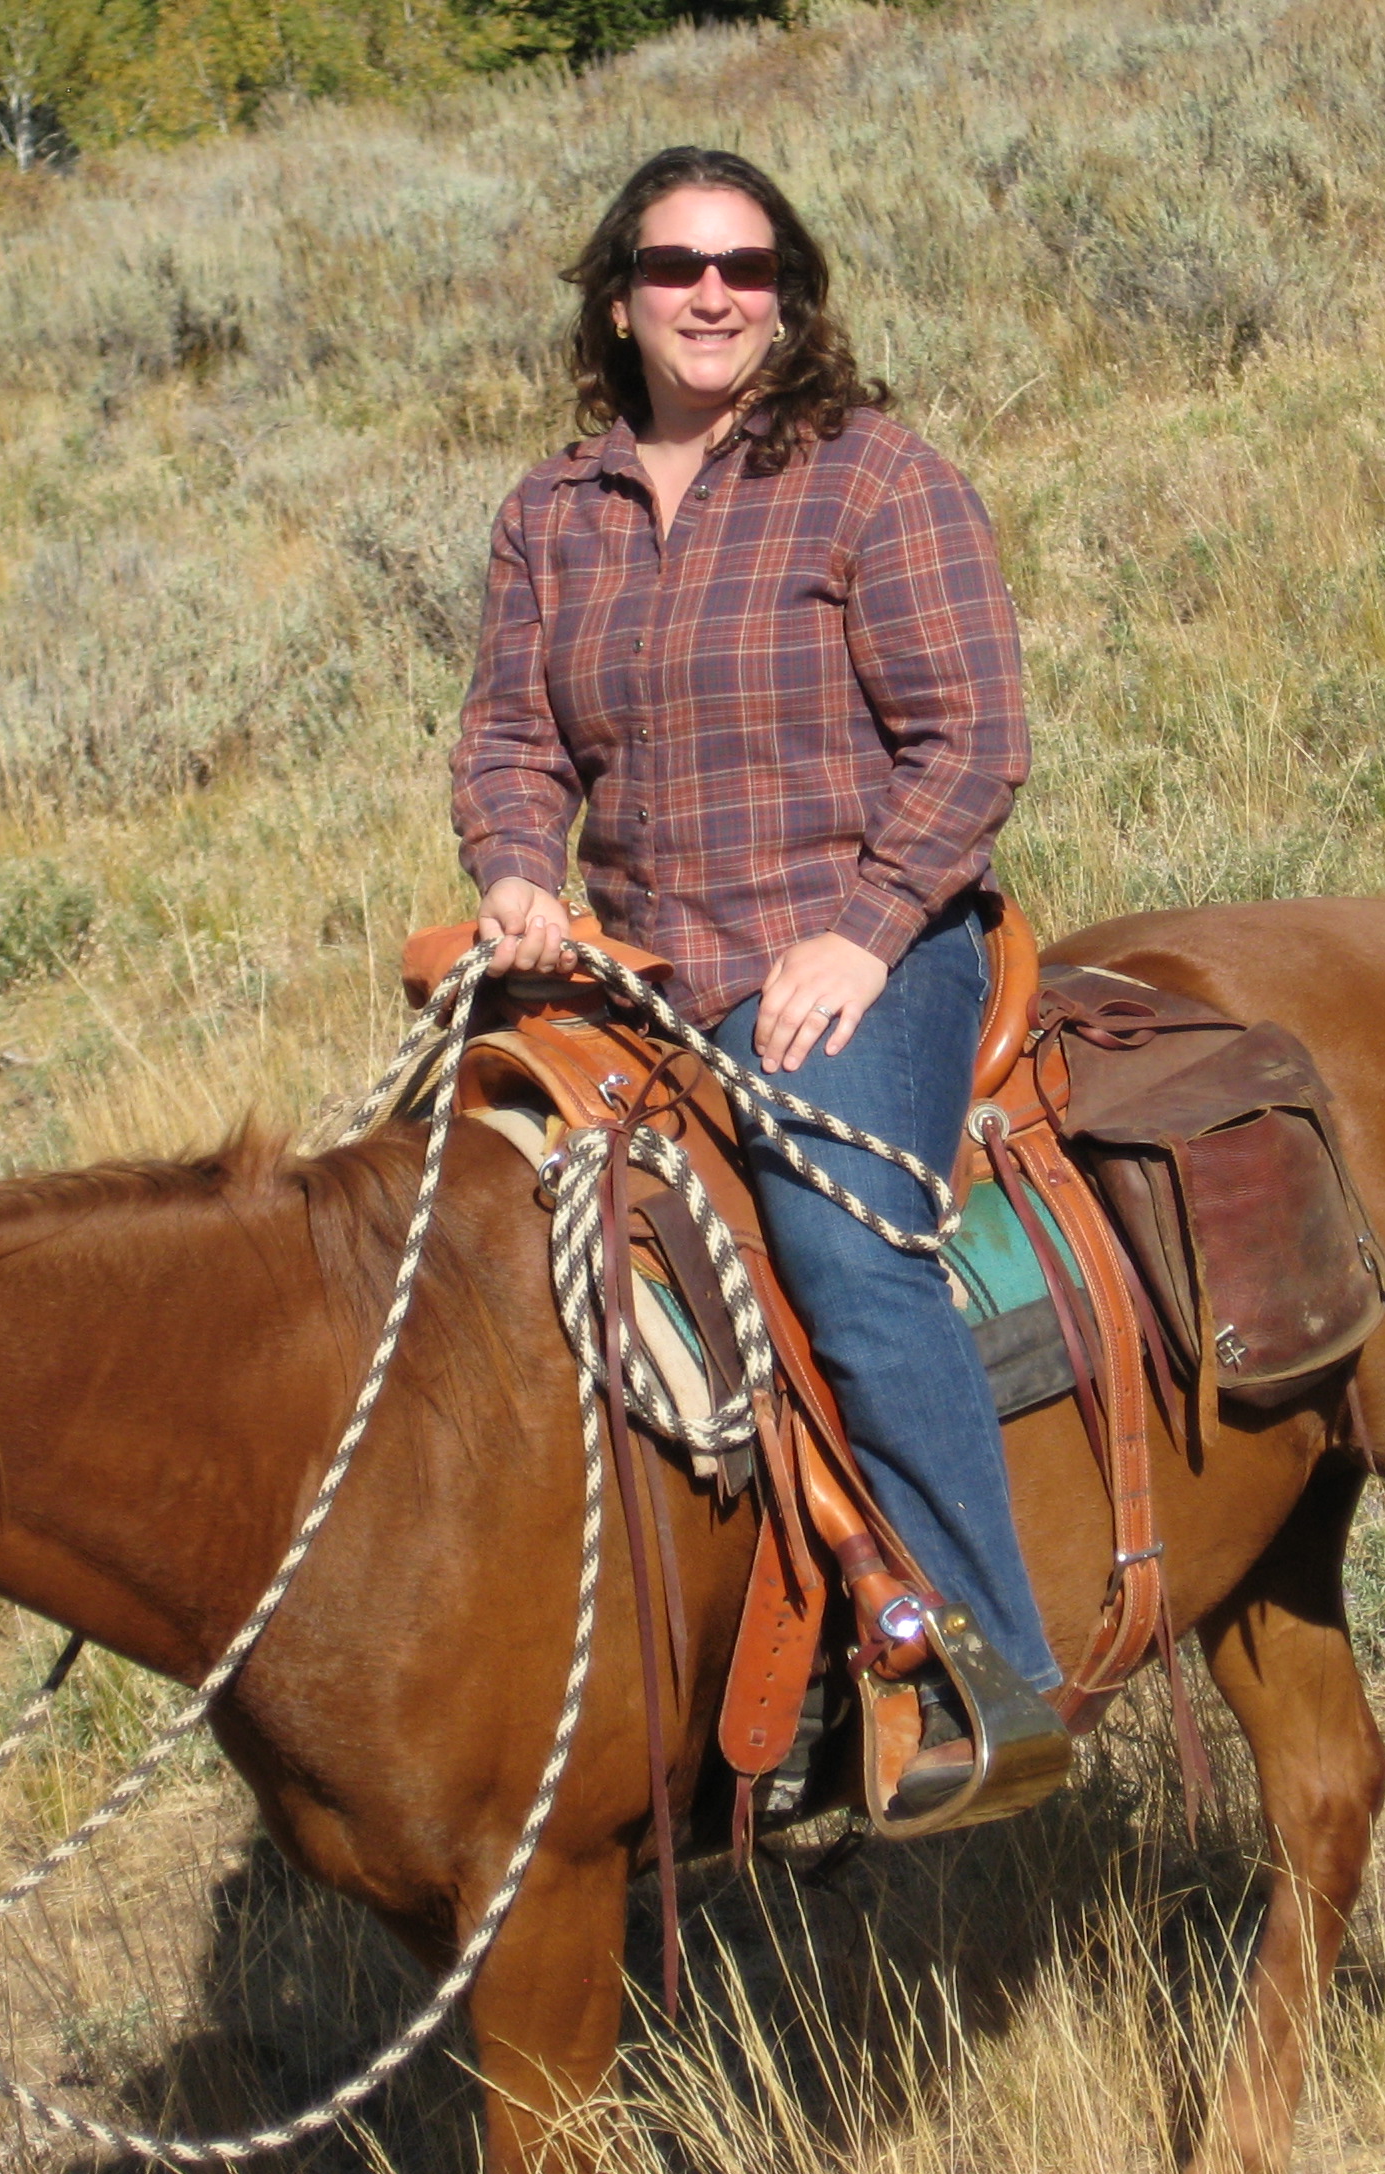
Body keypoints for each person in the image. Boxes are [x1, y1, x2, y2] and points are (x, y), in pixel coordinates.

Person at [450, 146, 1056, 1804]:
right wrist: (515, 868)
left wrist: (861, 931)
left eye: (747, 264)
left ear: (789, 294)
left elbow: (974, 737)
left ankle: (992, 1675)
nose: (712, 294)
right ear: (617, 297)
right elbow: (513, 736)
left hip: (872, 953)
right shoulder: (548, 516)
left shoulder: (872, 479)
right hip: (642, 973)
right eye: (674, 266)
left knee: (844, 1261)